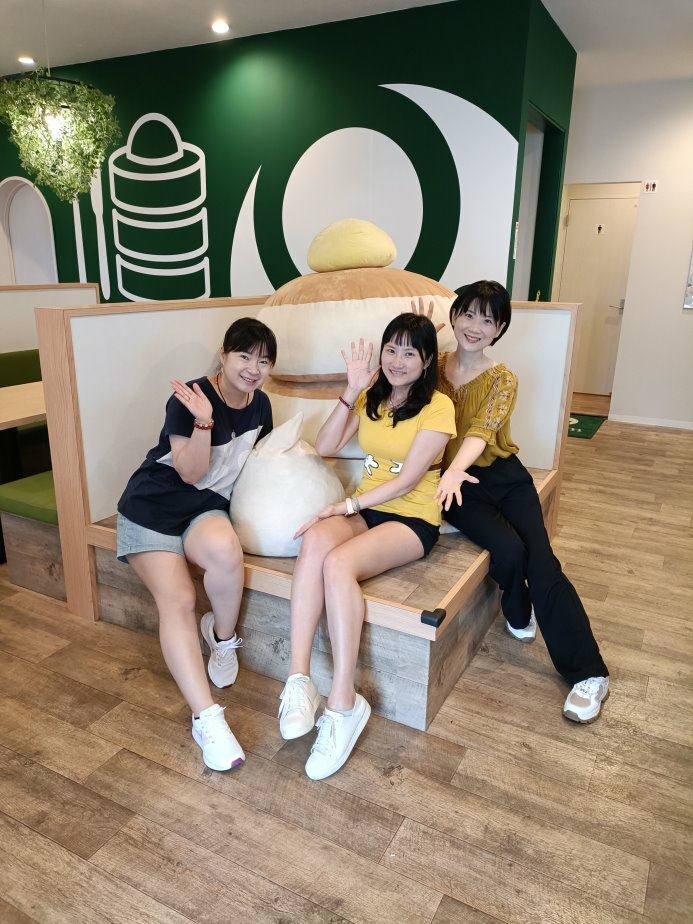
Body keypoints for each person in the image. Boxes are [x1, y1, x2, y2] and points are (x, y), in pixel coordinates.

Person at [278, 313, 456, 780]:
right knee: (315, 541)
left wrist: (345, 505)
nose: (397, 361)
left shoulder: (438, 407)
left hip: (412, 518)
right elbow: (325, 445)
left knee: (338, 564)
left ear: (427, 361)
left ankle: (343, 702)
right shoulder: (373, 398)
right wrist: (352, 389)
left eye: (410, 353)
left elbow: (410, 480)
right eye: (391, 349)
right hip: (368, 508)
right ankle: (298, 679)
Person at [432, 281, 610, 723]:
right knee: (509, 551)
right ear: (453, 316)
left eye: (488, 320)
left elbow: (481, 431)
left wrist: (455, 468)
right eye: (467, 314)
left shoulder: (503, 378)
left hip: (503, 476)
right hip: (457, 488)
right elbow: (398, 385)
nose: (475, 326)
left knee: (541, 561)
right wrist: (423, 336)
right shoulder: (433, 367)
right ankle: (516, 608)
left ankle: (589, 673)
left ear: (499, 330)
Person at [116, 317, 277, 771]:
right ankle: (207, 718)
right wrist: (204, 421)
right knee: (181, 599)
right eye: (244, 356)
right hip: (152, 509)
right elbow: (189, 472)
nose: (253, 369)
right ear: (223, 354)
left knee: (227, 553)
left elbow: (255, 465)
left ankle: (222, 640)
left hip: (203, 509)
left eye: (263, 361)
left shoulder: (261, 404)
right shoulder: (190, 397)